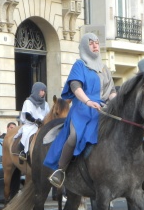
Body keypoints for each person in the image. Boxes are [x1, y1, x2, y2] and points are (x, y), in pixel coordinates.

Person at [44, 33, 117, 188]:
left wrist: (115, 101)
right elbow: (75, 87)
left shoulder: (104, 69)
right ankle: (60, 171)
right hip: (82, 109)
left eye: (97, 43)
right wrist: (88, 101)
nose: (95, 46)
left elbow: (111, 90)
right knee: (74, 136)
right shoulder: (79, 65)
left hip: (102, 109)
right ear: (85, 46)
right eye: (91, 43)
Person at [16, 82, 50, 161]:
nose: (43, 92)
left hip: (42, 125)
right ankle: (23, 152)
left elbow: (47, 115)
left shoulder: (46, 104)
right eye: (42, 90)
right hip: (31, 124)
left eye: (44, 91)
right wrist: (35, 121)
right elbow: (27, 115)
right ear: (36, 90)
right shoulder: (28, 102)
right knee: (26, 135)